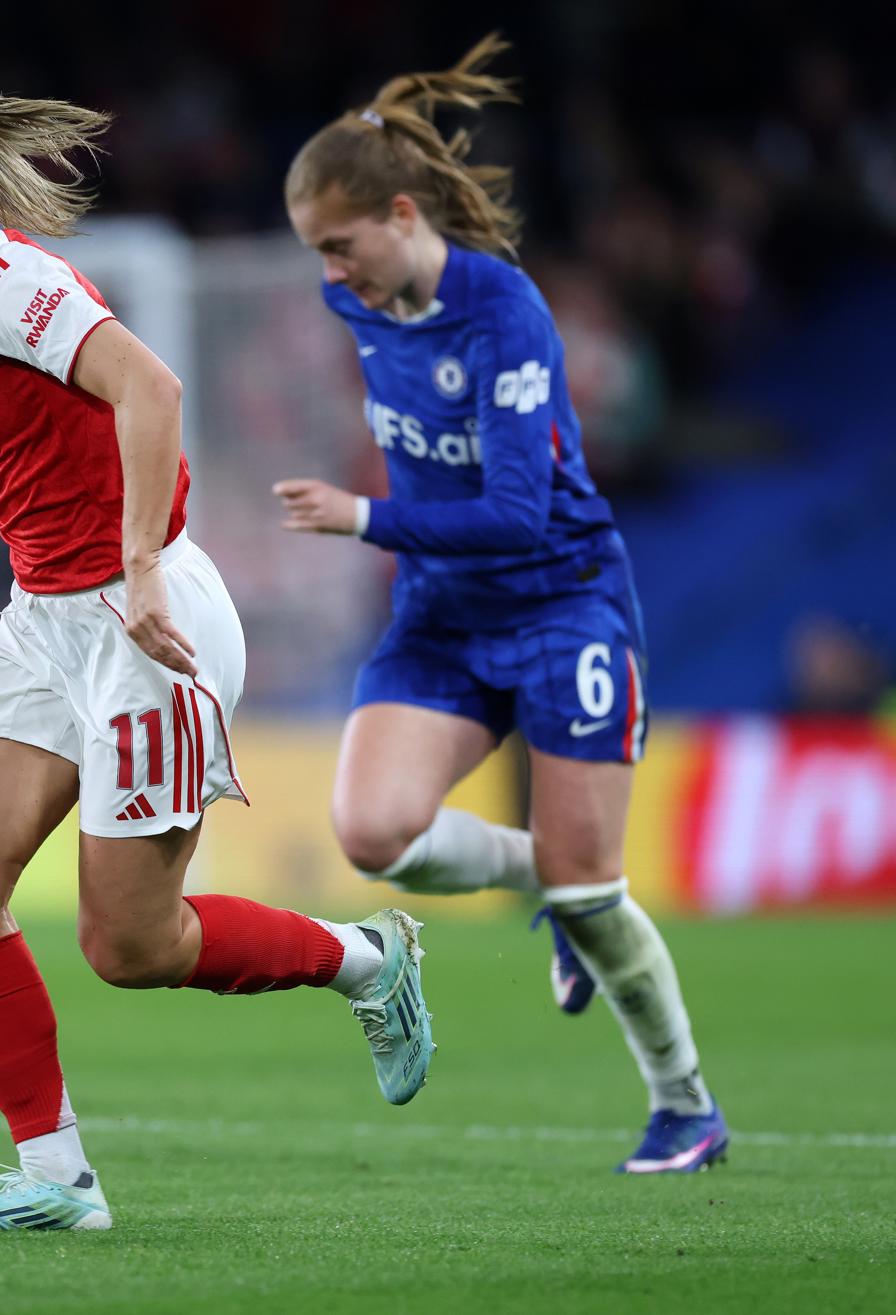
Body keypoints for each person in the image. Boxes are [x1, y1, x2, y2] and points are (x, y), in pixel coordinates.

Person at [0, 73, 435, 1234]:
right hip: (45, 620)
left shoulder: (8, 282)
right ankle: (56, 1179)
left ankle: (365, 958)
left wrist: (139, 564)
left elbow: (152, 384)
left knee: (131, 946)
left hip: (150, 620)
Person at [274, 34, 727, 1173]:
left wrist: (364, 516)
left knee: (601, 888)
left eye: (341, 247)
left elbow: (521, 514)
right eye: (316, 255)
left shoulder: (507, 313)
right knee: (374, 831)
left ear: (404, 213)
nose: (333, 275)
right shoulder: (366, 306)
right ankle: (551, 880)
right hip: (441, 618)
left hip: (563, 602)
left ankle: (686, 1105)